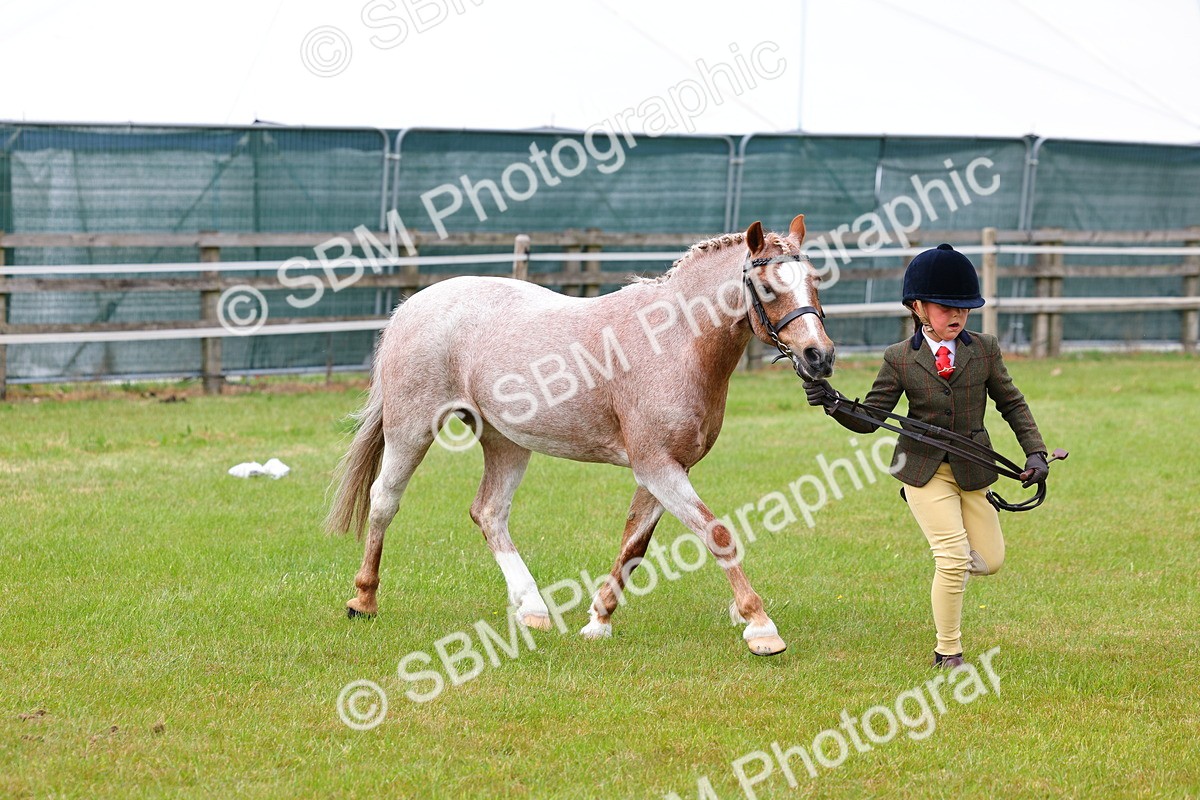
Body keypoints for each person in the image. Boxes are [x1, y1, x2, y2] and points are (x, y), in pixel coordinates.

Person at [804, 243, 1049, 669]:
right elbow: (872, 418)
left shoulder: (985, 349)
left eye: (964, 309)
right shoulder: (899, 358)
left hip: (974, 467)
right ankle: (947, 651)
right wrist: (834, 404)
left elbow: (1012, 403)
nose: (956, 316)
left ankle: (948, 564)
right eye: (944, 307)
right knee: (952, 557)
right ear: (917, 307)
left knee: (990, 561)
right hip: (920, 469)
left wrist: (1036, 452)